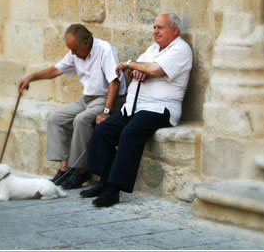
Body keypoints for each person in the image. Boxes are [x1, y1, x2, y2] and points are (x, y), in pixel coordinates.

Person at [80, 13, 193, 207]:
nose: (155, 31)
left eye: (160, 27)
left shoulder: (181, 49)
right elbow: (139, 69)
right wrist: (137, 69)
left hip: (160, 108)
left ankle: (113, 191)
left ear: (175, 30)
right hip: (135, 107)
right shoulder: (153, 49)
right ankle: (104, 180)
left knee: (129, 134)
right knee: (103, 130)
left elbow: (156, 69)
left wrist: (130, 64)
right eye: (154, 27)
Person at [17, 24, 126, 190]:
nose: (72, 53)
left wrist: (106, 111)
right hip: (88, 98)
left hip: (107, 98)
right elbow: (55, 70)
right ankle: (65, 169)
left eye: (74, 49)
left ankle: (81, 171)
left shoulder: (105, 50)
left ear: (86, 44)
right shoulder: (76, 52)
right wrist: (31, 77)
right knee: (56, 119)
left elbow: (114, 83)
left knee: (81, 120)